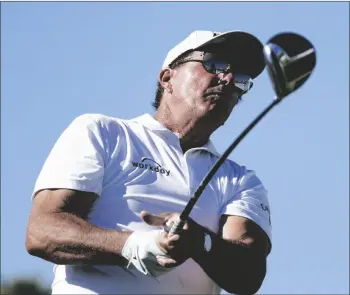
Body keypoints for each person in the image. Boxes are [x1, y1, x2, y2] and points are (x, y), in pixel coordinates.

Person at [26, 30, 272, 295]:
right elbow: (43, 231)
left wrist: (200, 242)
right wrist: (133, 247)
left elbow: (249, 275)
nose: (229, 78)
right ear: (168, 77)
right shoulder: (103, 132)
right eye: (214, 64)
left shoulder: (240, 180)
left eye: (241, 77)